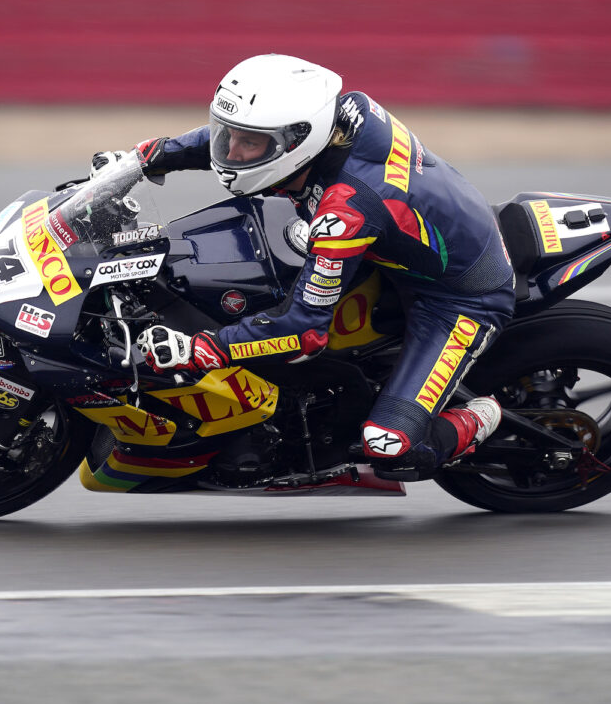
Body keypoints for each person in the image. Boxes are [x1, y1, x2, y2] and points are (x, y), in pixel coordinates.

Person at [93, 54, 516, 476]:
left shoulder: (345, 213)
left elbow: (304, 331)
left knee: (389, 447)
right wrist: (148, 157)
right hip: (407, 243)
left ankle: (483, 415)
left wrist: (202, 348)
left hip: (457, 298)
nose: (230, 151)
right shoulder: (338, 114)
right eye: (229, 135)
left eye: (249, 143)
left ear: (298, 141)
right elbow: (245, 138)